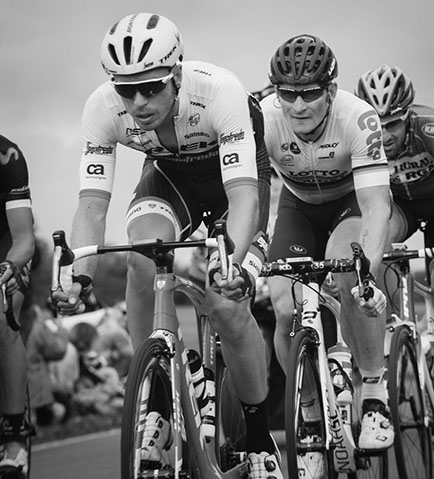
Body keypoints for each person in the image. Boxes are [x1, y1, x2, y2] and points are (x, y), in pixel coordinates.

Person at [51, 13, 282, 478]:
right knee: (142, 256)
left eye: (151, 87)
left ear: (176, 74)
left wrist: (233, 265)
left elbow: (243, 196)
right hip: (171, 178)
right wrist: (79, 277)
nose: (138, 102)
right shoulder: (102, 108)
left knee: (227, 301)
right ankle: (156, 393)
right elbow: (92, 207)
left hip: (234, 182)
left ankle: (259, 438)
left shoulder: (219, 91)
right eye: (126, 90)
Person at [261, 34, 404, 457]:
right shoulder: (263, 117)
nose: (297, 105)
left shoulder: (358, 118)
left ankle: (374, 393)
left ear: (330, 90)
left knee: (349, 272)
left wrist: (367, 274)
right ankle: (307, 411)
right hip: (298, 207)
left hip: (349, 204)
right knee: (283, 306)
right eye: (287, 93)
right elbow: (249, 190)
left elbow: (376, 206)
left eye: (309, 93)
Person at [356, 64, 434, 478]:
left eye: (393, 123)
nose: (385, 134)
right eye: (377, 124)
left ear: (408, 115)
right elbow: (372, 214)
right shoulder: (360, 138)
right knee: (375, 248)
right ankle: (394, 333)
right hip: (398, 211)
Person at [0, 134, 35, 476]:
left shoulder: (6, 156)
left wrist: (8, 267)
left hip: (7, 243)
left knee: (3, 315)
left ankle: (14, 434)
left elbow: (24, 237)